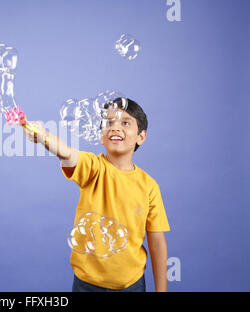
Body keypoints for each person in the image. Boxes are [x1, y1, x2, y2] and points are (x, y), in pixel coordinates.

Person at [24, 98, 170, 292]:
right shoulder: (93, 167)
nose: (115, 128)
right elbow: (66, 153)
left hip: (131, 285)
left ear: (140, 137)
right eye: (109, 123)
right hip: (87, 284)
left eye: (125, 122)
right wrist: (43, 136)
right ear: (101, 136)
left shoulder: (149, 186)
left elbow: (157, 243)